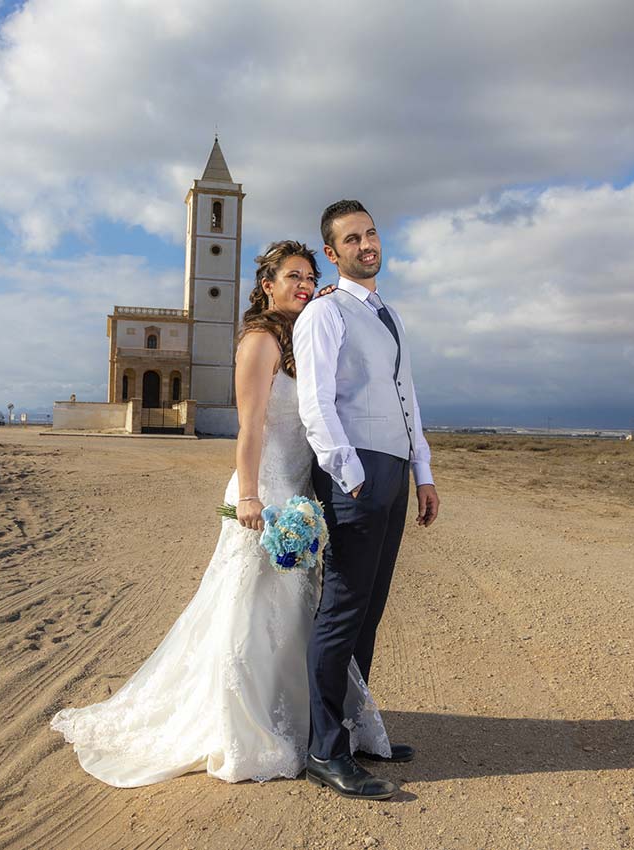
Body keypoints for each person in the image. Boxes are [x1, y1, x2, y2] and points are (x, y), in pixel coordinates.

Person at [51, 241, 391, 786]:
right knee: (249, 609)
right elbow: (251, 426)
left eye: (311, 277)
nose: (304, 285)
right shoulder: (259, 341)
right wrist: (251, 497)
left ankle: (301, 719)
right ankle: (243, 722)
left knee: (292, 612)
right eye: (294, 277)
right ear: (267, 285)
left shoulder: (299, 337)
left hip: (298, 487)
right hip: (265, 490)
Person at [296, 200, 441, 799]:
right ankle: (323, 749)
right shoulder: (324, 315)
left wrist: (423, 471)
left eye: (371, 233)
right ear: (332, 254)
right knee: (342, 609)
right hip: (354, 472)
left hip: (393, 469)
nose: (367, 244)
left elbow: (407, 394)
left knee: (371, 609)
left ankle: (356, 731)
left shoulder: (388, 313)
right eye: (352, 239)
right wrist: (348, 473)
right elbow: (316, 403)